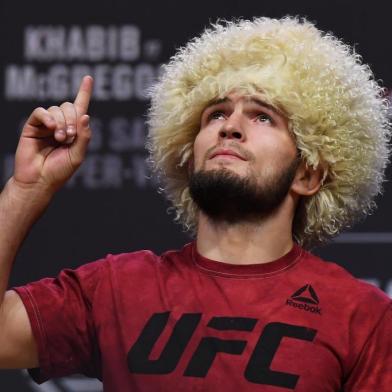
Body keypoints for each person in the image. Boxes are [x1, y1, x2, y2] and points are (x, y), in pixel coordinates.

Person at [0, 15, 391, 391]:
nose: (229, 126)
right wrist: (25, 189)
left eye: (263, 117)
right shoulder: (117, 288)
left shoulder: (362, 317)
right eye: (216, 113)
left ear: (308, 175)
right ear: (187, 153)